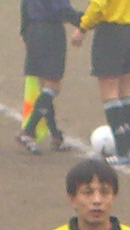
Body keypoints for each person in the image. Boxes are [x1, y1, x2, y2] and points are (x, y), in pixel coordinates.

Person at [70, 0, 130, 165]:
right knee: (126, 91)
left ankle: (122, 150)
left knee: (109, 91)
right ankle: (128, 148)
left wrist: (82, 28)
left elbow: (98, 4)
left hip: (110, 32)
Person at [16, 0, 83, 154]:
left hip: (33, 31)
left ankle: (55, 136)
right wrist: (88, 21)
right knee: (53, 86)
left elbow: (25, 6)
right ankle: (28, 131)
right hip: (50, 33)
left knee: (45, 86)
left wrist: (25, 32)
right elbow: (63, 10)